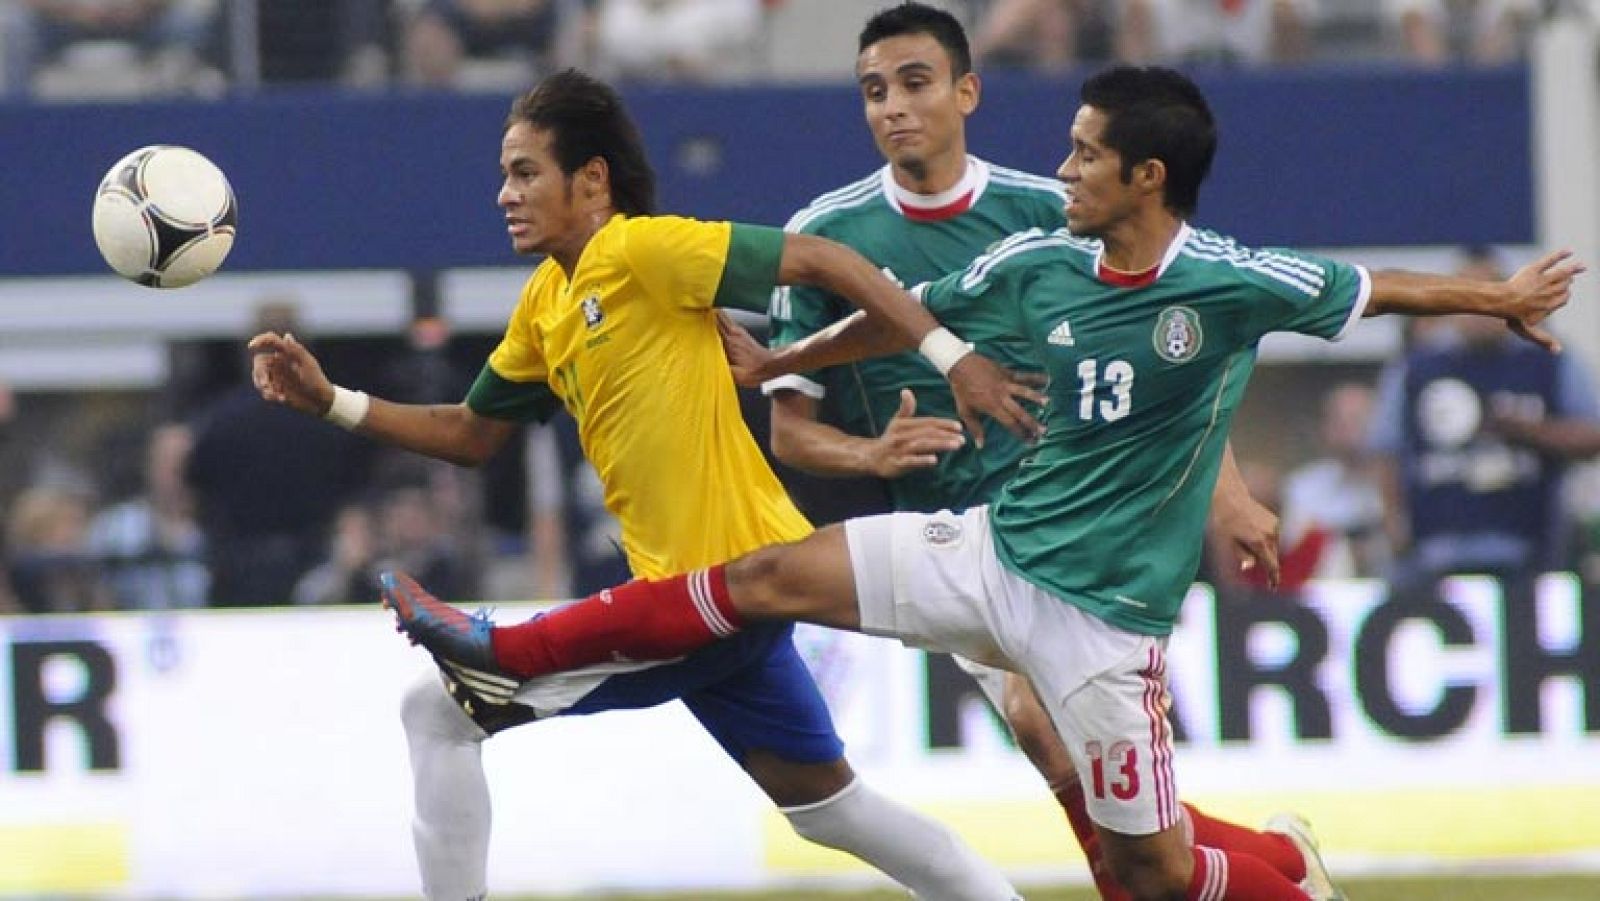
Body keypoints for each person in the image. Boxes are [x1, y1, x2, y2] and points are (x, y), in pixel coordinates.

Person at [385, 64, 1581, 900]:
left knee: (1149, 873)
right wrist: (788, 361)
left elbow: (1374, 289)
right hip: (990, 550)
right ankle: (505, 645)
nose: (1061, 166)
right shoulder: (1038, 260)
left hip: (1103, 624)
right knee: (757, 576)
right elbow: (908, 321)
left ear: (1145, 177)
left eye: (1084, 153)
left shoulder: (1228, 283)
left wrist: (1499, 299)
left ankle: (1280, 874)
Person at [250, 68, 1037, 901]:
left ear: (591, 180)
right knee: (829, 809)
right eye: (504, 175)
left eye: (525, 173)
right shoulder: (548, 301)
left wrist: (951, 356)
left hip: (707, 595)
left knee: (436, 708)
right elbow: (471, 435)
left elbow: (827, 259)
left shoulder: (642, 248)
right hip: (734, 588)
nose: (503, 195)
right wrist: (331, 400)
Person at [749, 4, 1327, 897]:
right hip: (958, 543)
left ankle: (1244, 872)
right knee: (1068, 756)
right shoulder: (825, 238)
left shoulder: (1053, 212)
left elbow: (1159, 370)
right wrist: (874, 455)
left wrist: (1232, 493)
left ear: (965, 90)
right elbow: (791, 433)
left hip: (1086, 534)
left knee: (1058, 738)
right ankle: (1280, 864)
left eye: (914, 82)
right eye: (874, 91)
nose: (894, 107)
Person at [1368, 245, 1600, 590]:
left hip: (1531, 551)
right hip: (1436, 553)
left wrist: (1529, 431)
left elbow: (1592, 436)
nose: (1477, 309)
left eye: (1489, 293)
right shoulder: (1417, 367)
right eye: (1466, 294)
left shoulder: (1546, 359)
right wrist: (1395, 526)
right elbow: (1386, 450)